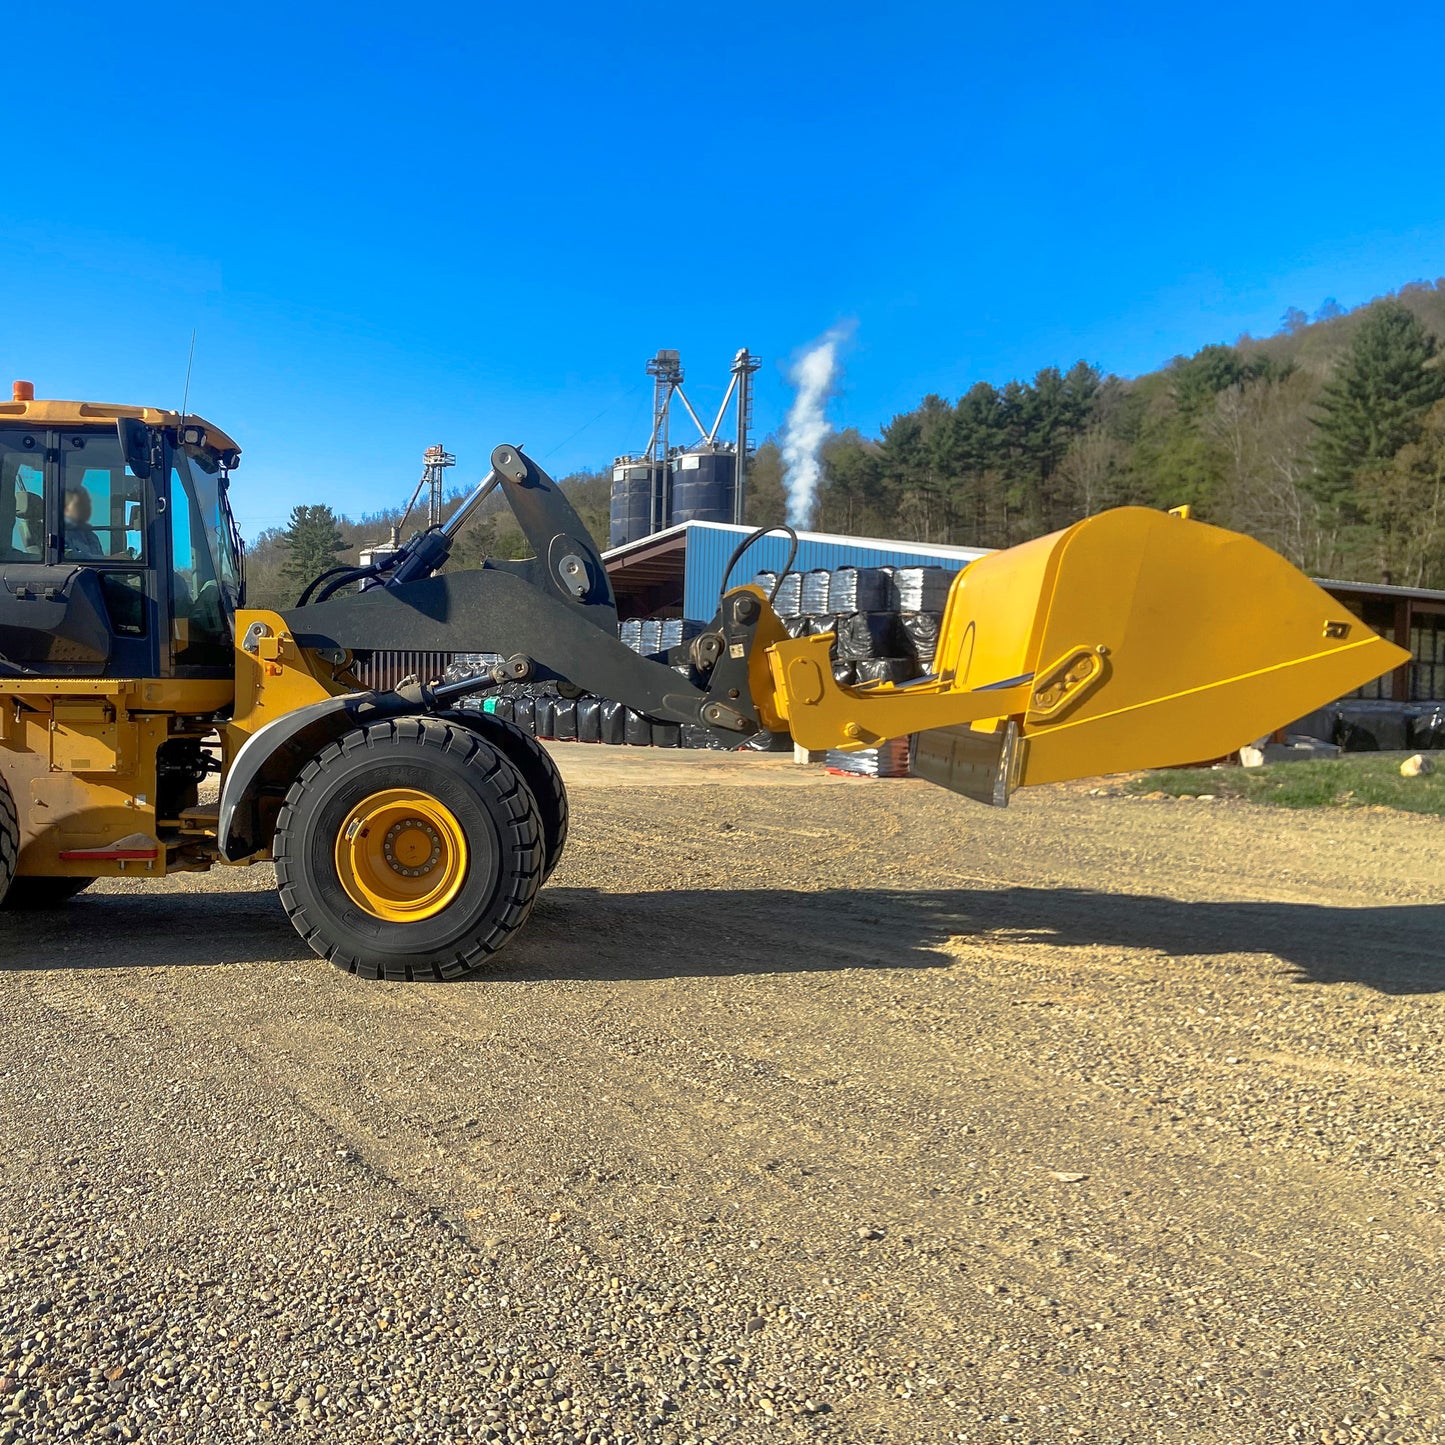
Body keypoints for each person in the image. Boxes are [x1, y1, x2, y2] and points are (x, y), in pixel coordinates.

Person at [64, 489, 103, 559]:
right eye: (79, 504)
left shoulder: (92, 536)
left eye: (87, 503)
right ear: (66, 508)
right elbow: (69, 556)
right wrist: (108, 559)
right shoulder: (59, 533)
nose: (86, 508)